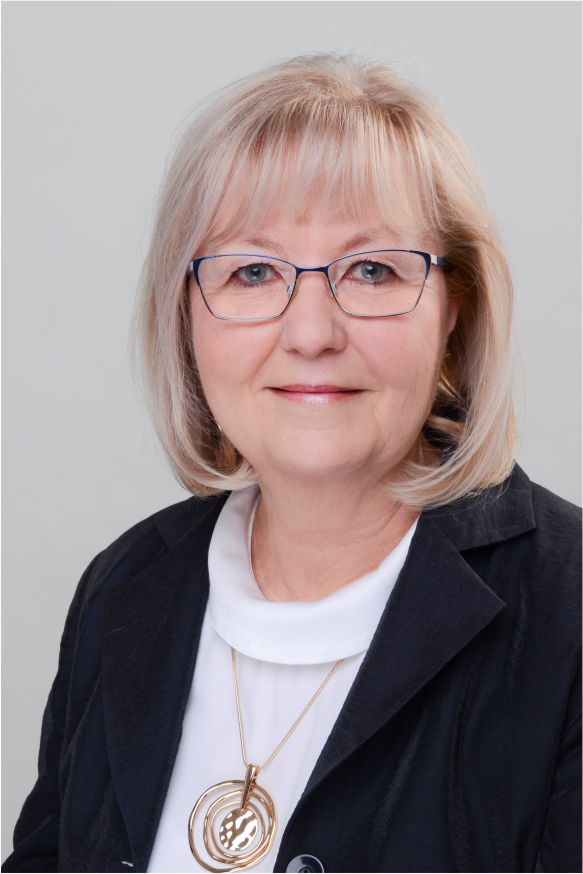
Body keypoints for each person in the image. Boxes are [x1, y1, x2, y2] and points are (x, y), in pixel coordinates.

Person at [3, 52, 581, 874]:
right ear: (185, 313)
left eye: (372, 270)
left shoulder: (568, 610)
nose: (311, 333)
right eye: (252, 271)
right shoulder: (123, 587)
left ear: (455, 306)